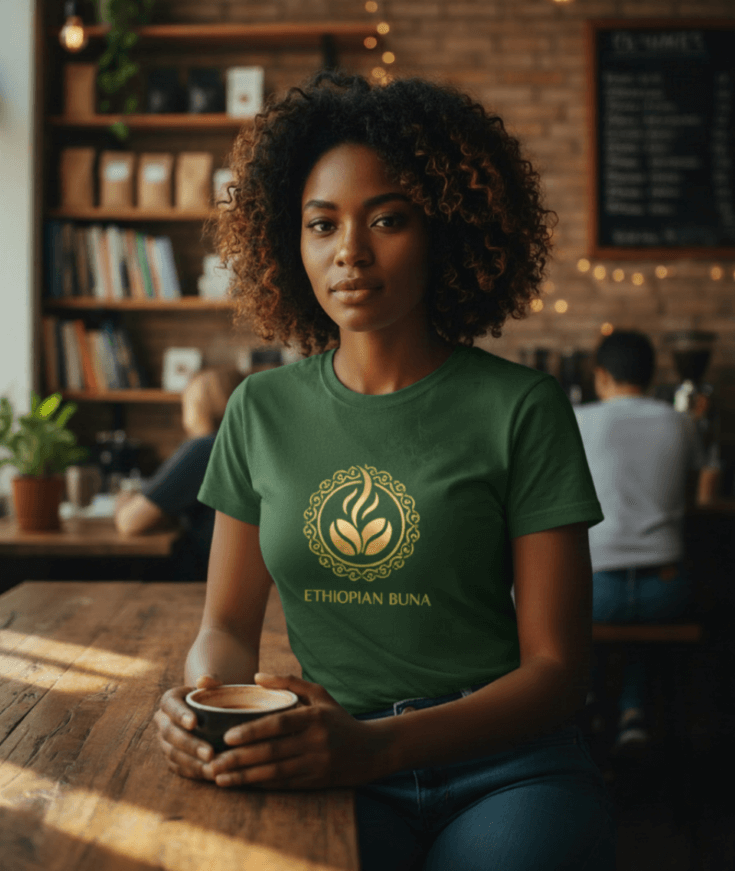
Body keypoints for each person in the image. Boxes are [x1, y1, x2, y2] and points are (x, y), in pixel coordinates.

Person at [153, 71, 616, 870]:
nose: (350, 253)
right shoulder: (259, 410)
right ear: (287, 243)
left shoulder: (521, 407)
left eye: (388, 220)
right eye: (322, 224)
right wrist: (207, 704)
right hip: (325, 758)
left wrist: (376, 745)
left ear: (447, 230)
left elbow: (556, 672)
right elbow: (225, 628)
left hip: (503, 763)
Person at [574, 330, 704, 754]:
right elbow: (696, 496)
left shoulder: (576, 420)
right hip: (668, 591)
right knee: (640, 628)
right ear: (651, 376)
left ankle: (585, 704)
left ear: (602, 376)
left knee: (567, 608)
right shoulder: (682, 423)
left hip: (597, 593)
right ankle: (634, 715)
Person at [115, 366, 243, 579]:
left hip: (205, 580)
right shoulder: (242, 447)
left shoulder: (205, 448)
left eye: (186, 404)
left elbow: (131, 522)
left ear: (199, 407)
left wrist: (122, 500)